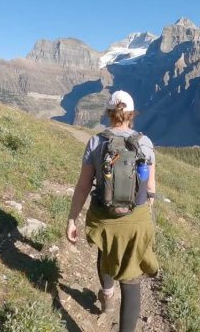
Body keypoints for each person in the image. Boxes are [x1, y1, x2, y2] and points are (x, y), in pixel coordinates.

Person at [66, 90, 158, 332]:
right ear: (131, 114)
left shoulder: (96, 142)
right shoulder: (145, 143)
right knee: (132, 279)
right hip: (135, 219)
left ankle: (107, 299)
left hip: (104, 218)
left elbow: (84, 185)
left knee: (106, 251)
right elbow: (150, 188)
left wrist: (72, 219)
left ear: (109, 113)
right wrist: (146, 212)